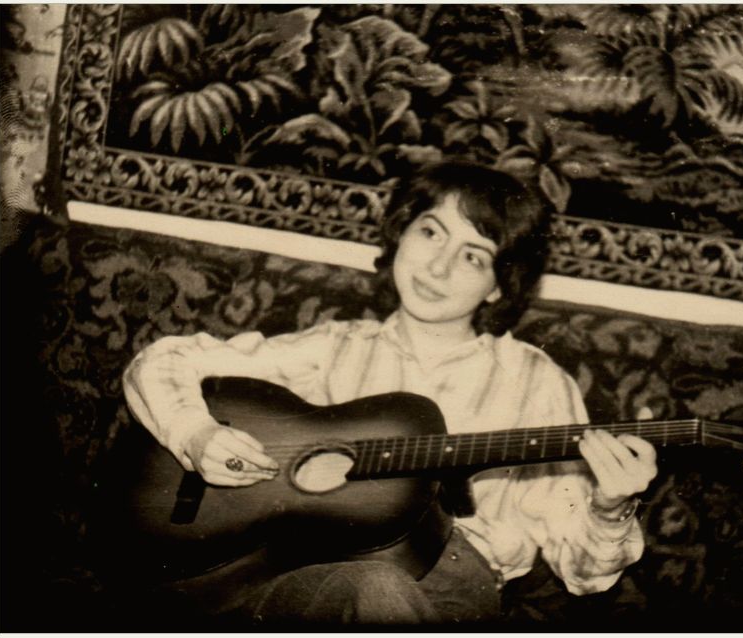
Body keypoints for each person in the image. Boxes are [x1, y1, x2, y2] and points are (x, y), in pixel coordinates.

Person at [122, 161, 658, 628]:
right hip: (296, 576)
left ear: (498, 285)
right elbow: (164, 360)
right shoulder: (333, 347)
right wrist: (195, 433)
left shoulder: (536, 382)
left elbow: (582, 572)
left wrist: (609, 507)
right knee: (360, 589)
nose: (439, 266)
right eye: (431, 232)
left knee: (378, 590)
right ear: (401, 234)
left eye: (473, 257)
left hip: (447, 586)